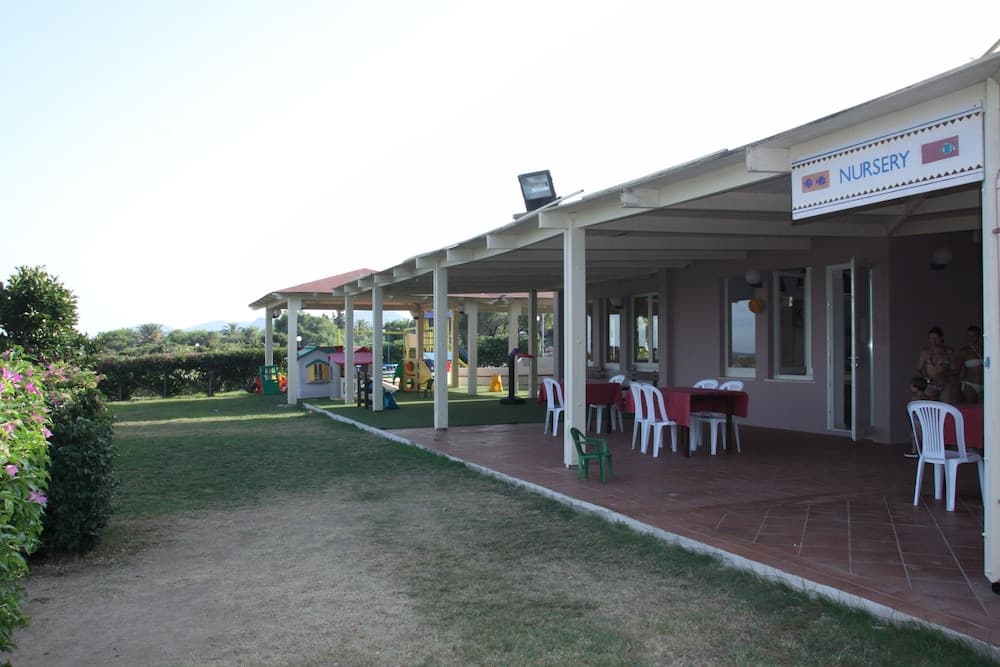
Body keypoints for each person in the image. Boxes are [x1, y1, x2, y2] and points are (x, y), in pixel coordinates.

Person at [915, 326, 957, 404]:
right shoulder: (925, 352)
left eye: (936, 338)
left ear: (941, 338)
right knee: (931, 406)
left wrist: (944, 373)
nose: (933, 340)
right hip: (930, 384)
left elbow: (954, 370)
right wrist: (925, 379)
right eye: (931, 338)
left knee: (946, 406)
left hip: (945, 384)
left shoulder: (949, 351)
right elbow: (919, 369)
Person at [957, 325, 984, 404]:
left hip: (985, 384)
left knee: (985, 408)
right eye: (969, 336)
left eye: (973, 336)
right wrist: (957, 389)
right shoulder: (964, 351)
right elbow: (958, 370)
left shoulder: (985, 349)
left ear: (978, 336)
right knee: (971, 406)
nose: (971, 338)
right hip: (970, 384)